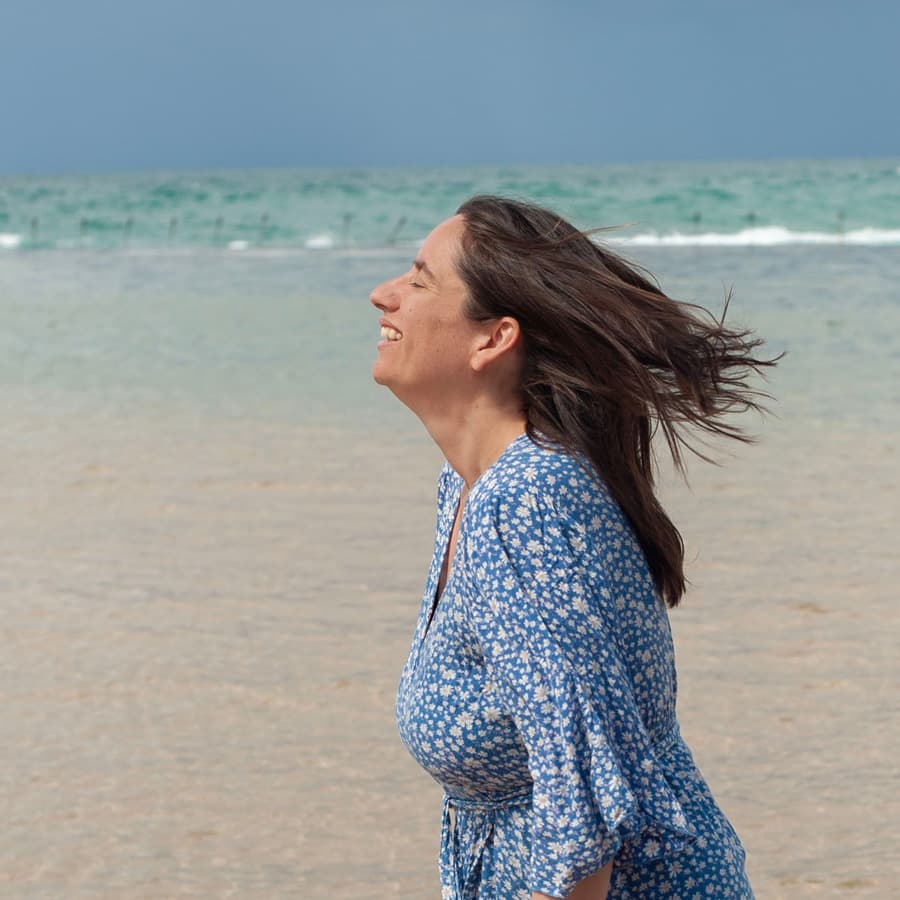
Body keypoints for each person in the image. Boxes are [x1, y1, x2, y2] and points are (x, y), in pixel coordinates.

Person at [370, 195, 776, 899]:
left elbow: (580, 802)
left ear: (492, 338)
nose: (385, 295)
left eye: (419, 278)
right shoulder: (471, 488)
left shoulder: (526, 498)